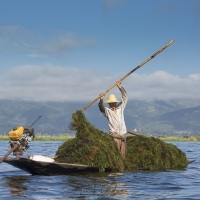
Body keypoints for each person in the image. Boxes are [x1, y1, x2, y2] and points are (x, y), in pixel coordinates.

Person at [98, 81, 128, 158]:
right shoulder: (108, 111)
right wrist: (101, 99)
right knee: (116, 155)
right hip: (114, 137)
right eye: (110, 103)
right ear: (108, 103)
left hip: (122, 136)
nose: (112, 104)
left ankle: (122, 167)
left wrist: (119, 87)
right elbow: (101, 108)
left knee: (123, 156)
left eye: (113, 102)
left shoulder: (120, 108)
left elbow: (125, 97)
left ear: (115, 102)